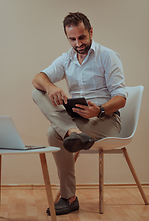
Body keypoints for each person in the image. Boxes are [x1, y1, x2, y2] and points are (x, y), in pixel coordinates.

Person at [32, 12, 127, 215]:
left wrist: (99, 109)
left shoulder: (108, 56)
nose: (78, 43)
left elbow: (121, 98)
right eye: (72, 39)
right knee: (37, 91)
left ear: (91, 31)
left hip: (106, 118)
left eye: (82, 37)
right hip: (77, 119)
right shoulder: (66, 59)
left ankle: (68, 198)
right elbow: (38, 78)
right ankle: (72, 132)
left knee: (52, 133)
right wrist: (50, 87)